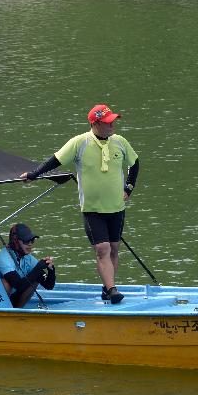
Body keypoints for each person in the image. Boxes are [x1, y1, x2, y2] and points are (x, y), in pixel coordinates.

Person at [21, 104, 139, 304]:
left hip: (117, 208)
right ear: (95, 123)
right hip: (93, 209)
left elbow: (135, 163)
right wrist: (34, 175)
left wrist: (128, 188)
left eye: (113, 121)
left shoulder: (120, 142)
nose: (112, 125)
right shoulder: (79, 143)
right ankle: (112, 290)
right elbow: (55, 160)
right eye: (107, 122)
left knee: (114, 248)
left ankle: (106, 287)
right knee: (102, 249)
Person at [0, 223, 56, 308]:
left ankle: (17, 312)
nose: (30, 244)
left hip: (12, 296)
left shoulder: (28, 259)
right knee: (6, 284)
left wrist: (51, 270)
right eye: (26, 241)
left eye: (32, 240)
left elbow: (49, 285)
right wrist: (38, 267)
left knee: (35, 278)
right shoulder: (3, 258)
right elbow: (19, 285)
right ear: (16, 241)